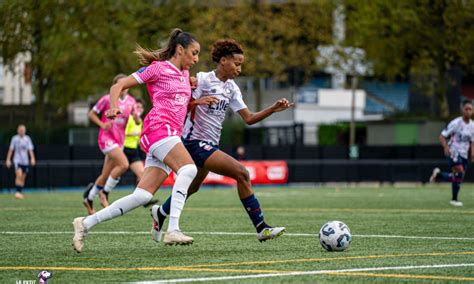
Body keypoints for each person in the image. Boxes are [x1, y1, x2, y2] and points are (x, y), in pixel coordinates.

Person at [72, 29, 214, 252]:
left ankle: (85, 223)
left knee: (143, 195)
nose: (196, 59)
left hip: (168, 134)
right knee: (188, 169)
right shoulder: (157, 69)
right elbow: (117, 86)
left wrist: (197, 101)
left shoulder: (185, 76)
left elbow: (179, 105)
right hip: (157, 129)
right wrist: (113, 107)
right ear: (180, 50)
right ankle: (173, 229)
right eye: (194, 53)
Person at [150, 39, 293, 243]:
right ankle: (261, 227)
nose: (239, 69)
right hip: (193, 142)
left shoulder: (232, 89)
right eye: (237, 64)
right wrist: (197, 101)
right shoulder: (202, 79)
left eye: (241, 65)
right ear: (223, 60)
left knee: (192, 187)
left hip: (210, 144)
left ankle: (161, 213)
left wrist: (273, 109)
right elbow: (181, 104)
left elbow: (249, 118)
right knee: (242, 173)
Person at [82, 74, 138, 215]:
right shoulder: (107, 99)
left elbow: (137, 121)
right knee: (124, 164)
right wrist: (102, 124)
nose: (123, 87)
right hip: (106, 138)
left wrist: (137, 118)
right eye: (120, 84)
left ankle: (89, 198)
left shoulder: (131, 101)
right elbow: (91, 114)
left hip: (120, 140)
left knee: (105, 174)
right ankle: (104, 193)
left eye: (125, 84)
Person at [430, 99, 474, 207]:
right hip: (453, 150)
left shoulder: (473, 125)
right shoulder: (456, 123)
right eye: (466, 109)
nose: (468, 111)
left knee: (457, 177)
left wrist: (472, 153)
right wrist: (445, 147)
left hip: (464, 154)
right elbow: (442, 136)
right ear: (462, 110)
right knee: (459, 170)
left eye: (471, 109)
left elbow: (472, 141)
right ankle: (454, 199)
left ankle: (438, 175)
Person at [5, 124, 36, 199]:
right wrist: (8, 159)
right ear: (18, 130)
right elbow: (11, 150)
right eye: (20, 130)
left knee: (23, 177)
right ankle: (17, 192)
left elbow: (30, 150)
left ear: (25, 131)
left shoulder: (27, 139)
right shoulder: (14, 139)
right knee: (18, 174)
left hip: (25, 161)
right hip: (17, 160)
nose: (22, 131)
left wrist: (32, 158)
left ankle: (20, 192)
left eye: (23, 130)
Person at [123, 98, 145, 182]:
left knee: (142, 174)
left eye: (140, 107)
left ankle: (139, 194)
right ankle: (97, 189)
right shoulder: (128, 118)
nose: (139, 109)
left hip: (133, 150)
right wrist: (134, 134)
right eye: (137, 107)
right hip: (123, 149)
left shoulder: (140, 121)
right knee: (113, 174)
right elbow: (121, 133)